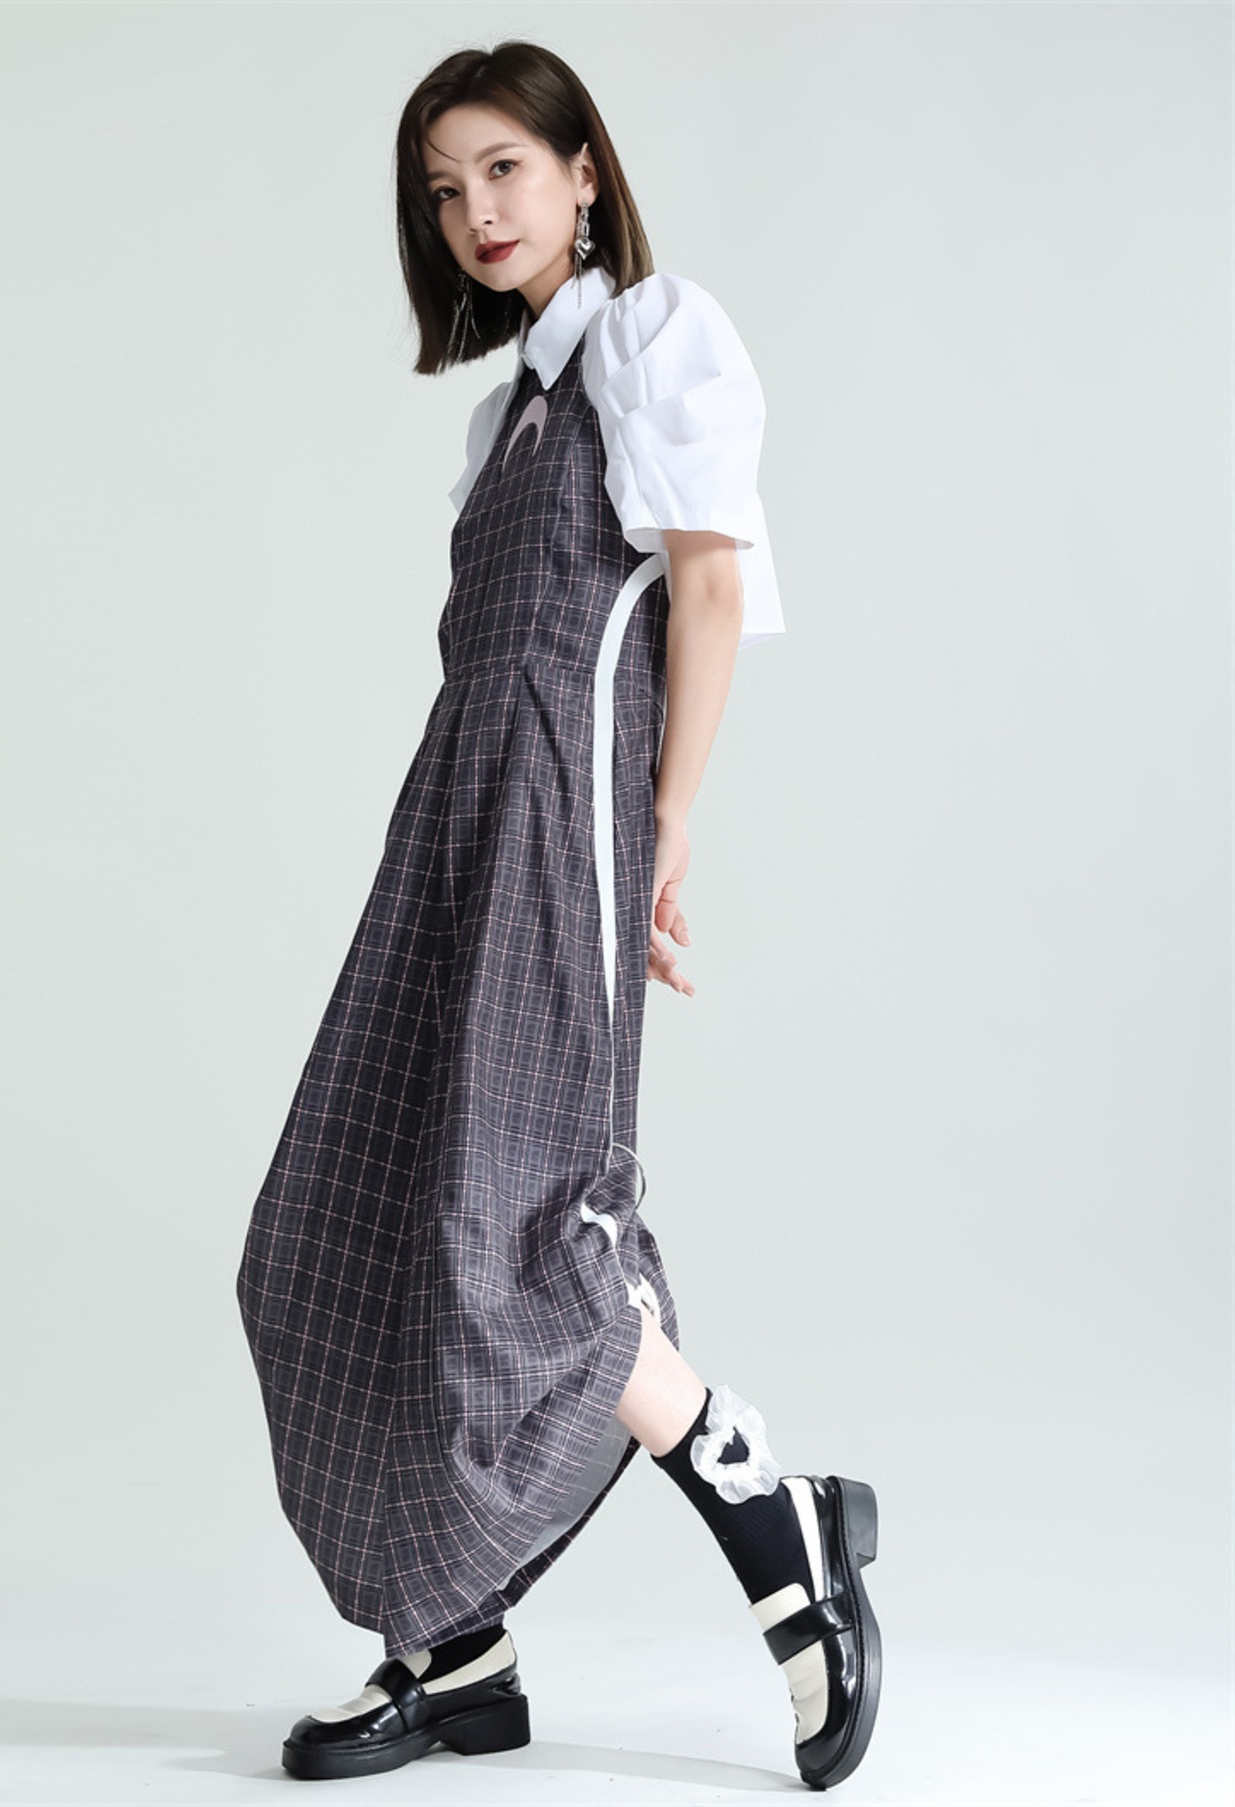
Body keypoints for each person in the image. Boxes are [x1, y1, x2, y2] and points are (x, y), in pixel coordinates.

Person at [235, 38, 882, 1794]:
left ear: (584, 169)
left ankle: (779, 1527)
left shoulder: (655, 337)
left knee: (522, 1242)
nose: (477, 213)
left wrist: (660, 834)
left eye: (505, 170)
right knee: (326, 1233)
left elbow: (708, 586)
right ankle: (460, 1649)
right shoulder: (507, 410)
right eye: (445, 191)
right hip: (452, 826)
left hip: (559, 826)